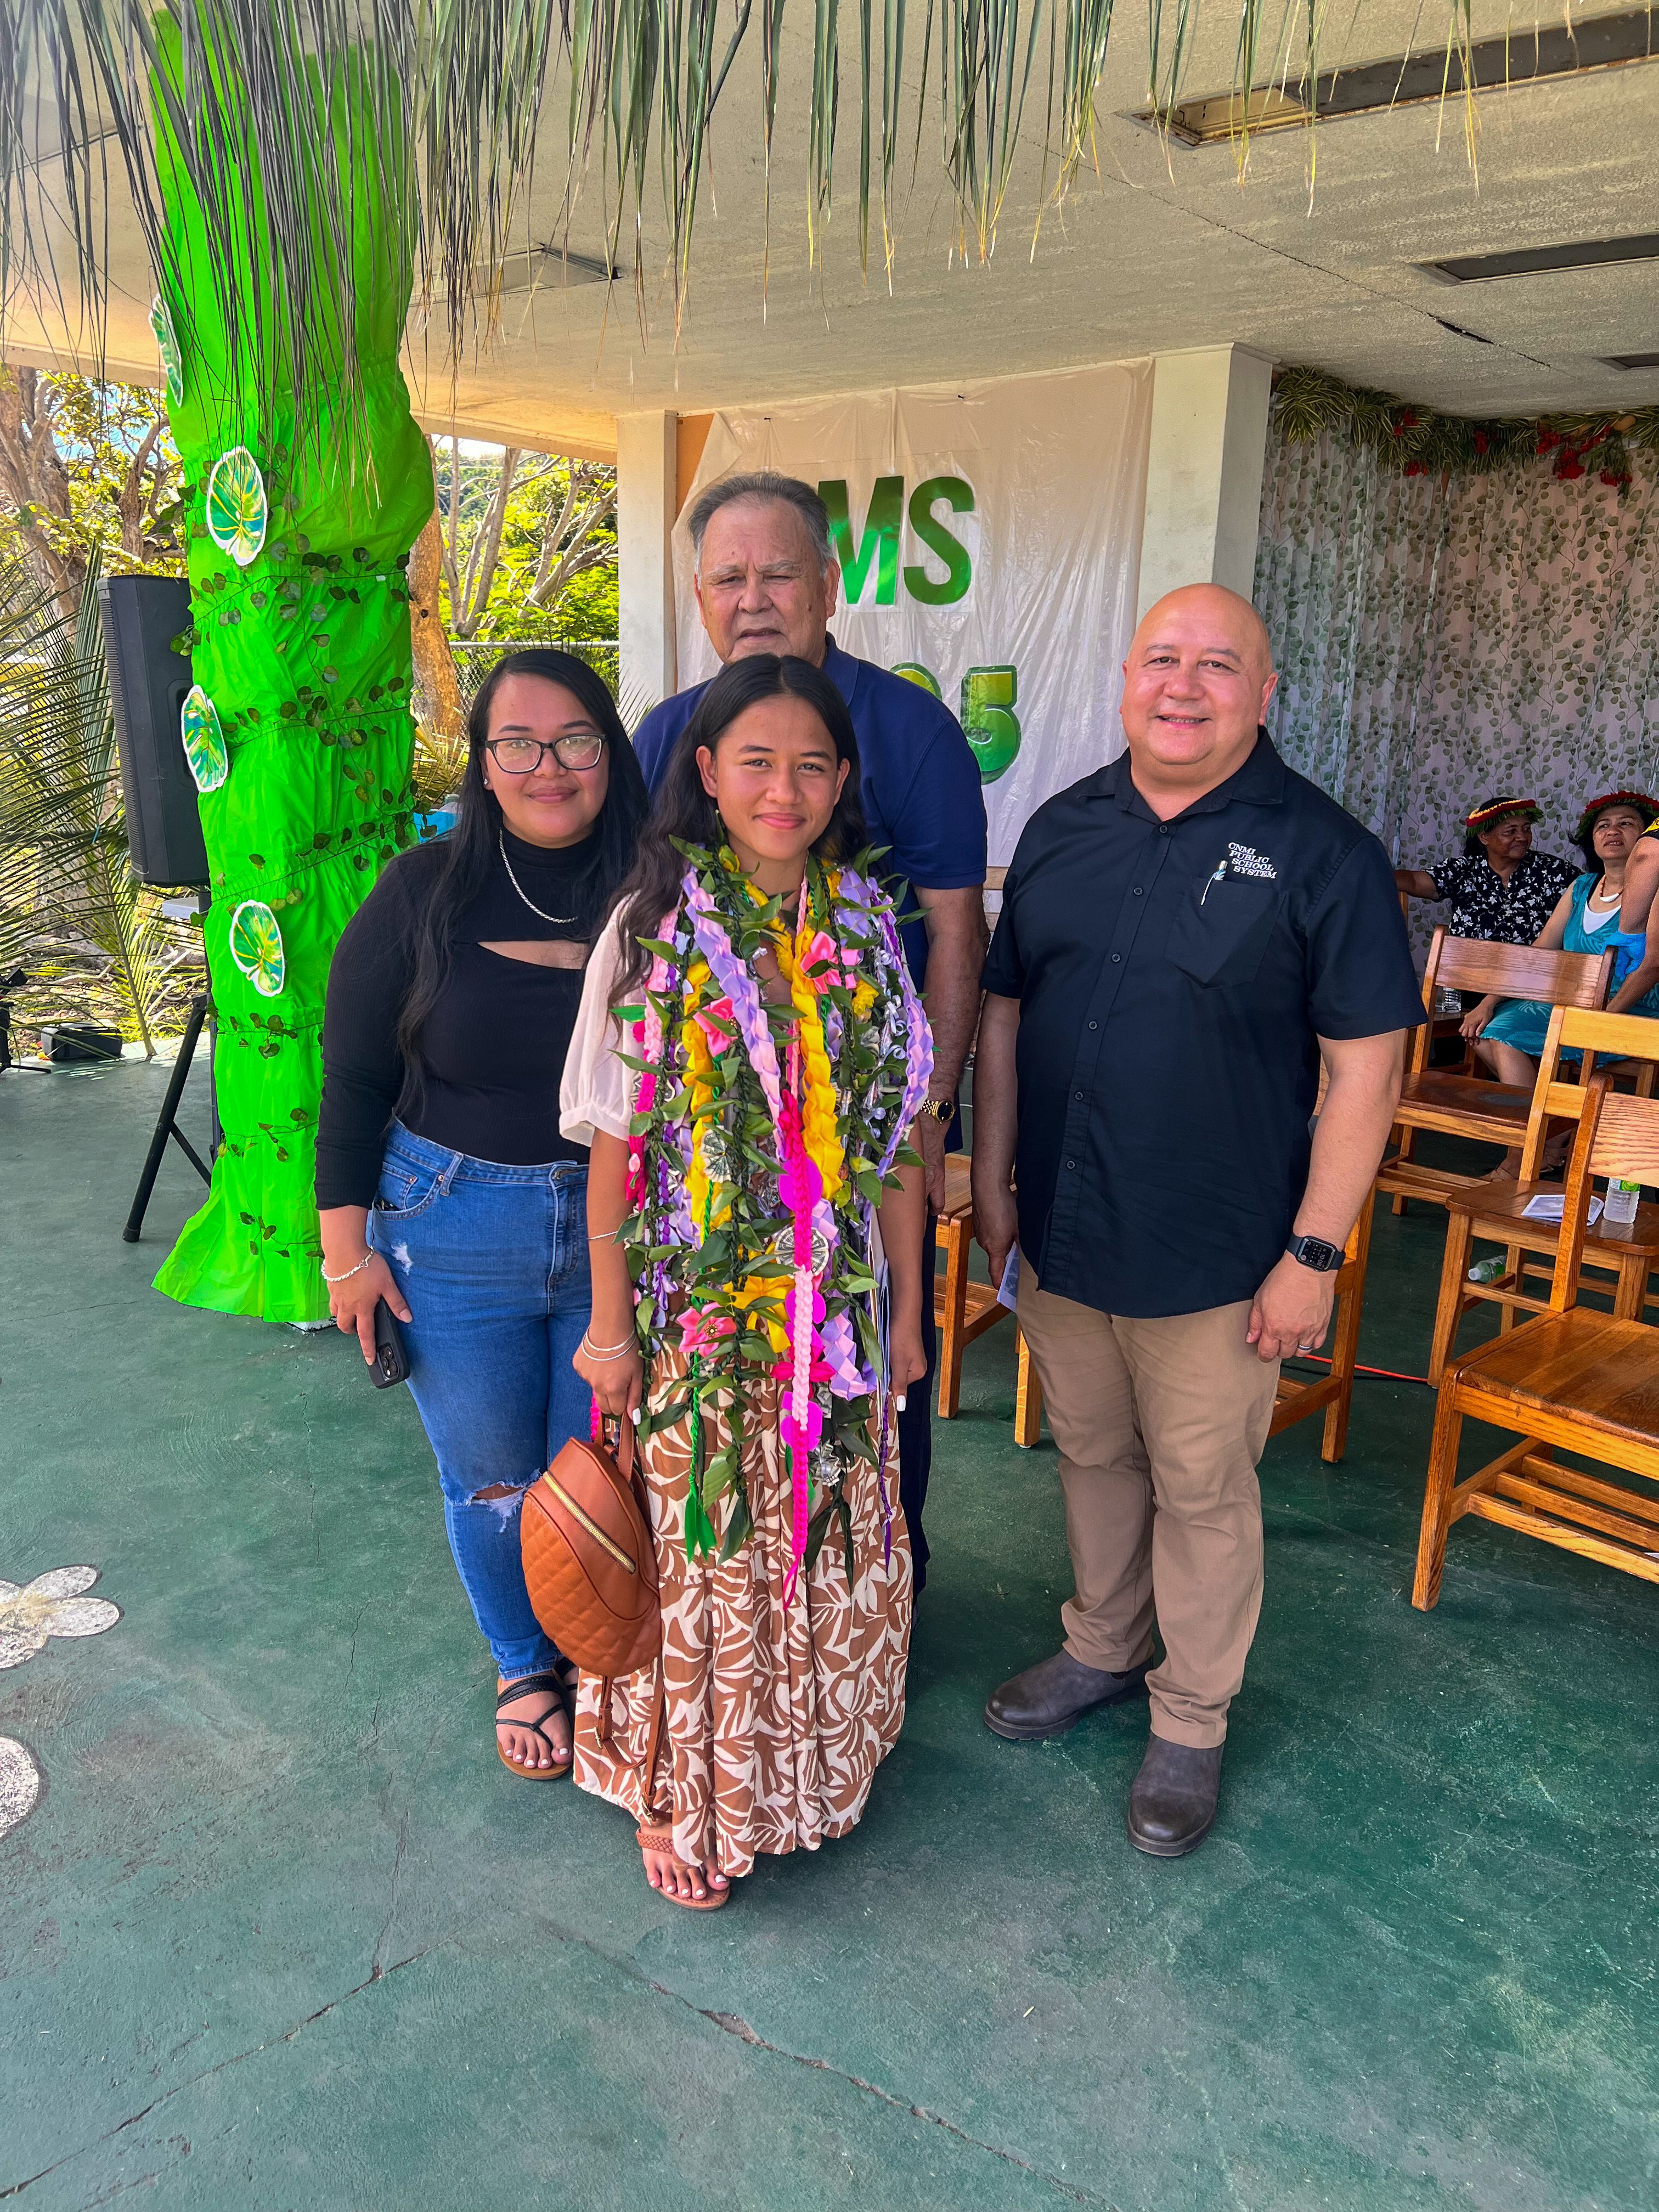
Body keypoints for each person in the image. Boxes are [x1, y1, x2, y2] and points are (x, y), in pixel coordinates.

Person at [972, 584, 1424, 1859]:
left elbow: (1366, 1070)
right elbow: (1004, 1019)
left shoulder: (1323, 850)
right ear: (1125, 679)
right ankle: (1104, 1648)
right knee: (1095, 1460)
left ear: (1264, 693)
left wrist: (1315, 1256)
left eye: (1217, 665)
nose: (1185, 685)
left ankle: (1193, 1718)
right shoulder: (1065, 827)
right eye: (1162, 659)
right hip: (1064, 1234)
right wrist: (992, 1184)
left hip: (1224, 1262)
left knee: (1205, 1487)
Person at [561, 653, 931, 1908]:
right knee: (704, 1553)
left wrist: (914, 1327)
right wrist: (611, 1329)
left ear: (844, 780)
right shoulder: (653, 929)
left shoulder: (873, 931)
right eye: (756, 762)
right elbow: (616, 1148)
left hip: (834, 1331)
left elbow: (891, 1153)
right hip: (692, 1331)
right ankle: (683, 1792)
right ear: (707, 775)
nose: (786, 788)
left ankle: (801, 1780)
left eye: (812, 763)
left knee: (820, 1550)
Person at [632, 470, 986, 1593]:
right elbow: (642, 926)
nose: (753, 598)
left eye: (778, 572)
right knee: (720, 1379)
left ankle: (883, 1582)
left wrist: (927, 1110)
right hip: (708, 1139)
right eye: (727, 577)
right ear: (698, 596)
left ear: (829, 584)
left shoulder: (911, 732)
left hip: (870, 1128)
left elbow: (955, 929)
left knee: (874, 1354)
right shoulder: (666, 734)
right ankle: (736, 1603)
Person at [317, 649, 647, 1780]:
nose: (549, 766)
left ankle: (593, 1653)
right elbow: (355, 1075)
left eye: (575, 741)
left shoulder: (661, 890)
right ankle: (524, 1664)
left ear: (612, 751)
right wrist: (344, 1254)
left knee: (589, 1474)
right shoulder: (425, 889)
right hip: (450, 1225)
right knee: (495, 1478)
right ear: (484, 765)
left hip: (616, 1233)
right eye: (519, 744)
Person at [1459, 792, 1659, 1164]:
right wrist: (1488, 1001)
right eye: (1603, 826)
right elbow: (1540, 951)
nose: (1612, 831)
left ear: (1646, 839)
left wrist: (1601, 1019)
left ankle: (1527, 1153)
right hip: (1573, 1003)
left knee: (1503, 1038)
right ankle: (1556, 1133)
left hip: (1631, 1007)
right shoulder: (1582, 888)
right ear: (1592, 840)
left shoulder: (1654, 890)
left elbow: (1652, 967)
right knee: (1485, 1031)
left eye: (1626, 824)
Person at [1395, 795, 1578, 948]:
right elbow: (1414, 881)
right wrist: (1370, 874)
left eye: (1527, 829)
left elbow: (1591, 890)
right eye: (1511, 831)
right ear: (1484, 837)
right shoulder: (1463, 871)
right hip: (1469, 981)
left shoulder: (1554, 871)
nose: (1522, 837)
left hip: (1534, 983)